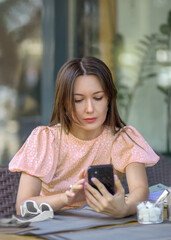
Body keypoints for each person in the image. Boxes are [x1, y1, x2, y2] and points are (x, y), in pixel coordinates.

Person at [9, 56, 159, 218]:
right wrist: (67, 198)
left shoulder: (123, 138)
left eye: (98, 98)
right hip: (53, 229)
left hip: (104, 228)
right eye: (78, 100)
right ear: (64, 103)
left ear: (109, 98)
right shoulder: (45, 140)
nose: (89, 109)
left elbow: (141, 190)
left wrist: (124, 208)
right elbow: (22, 206)